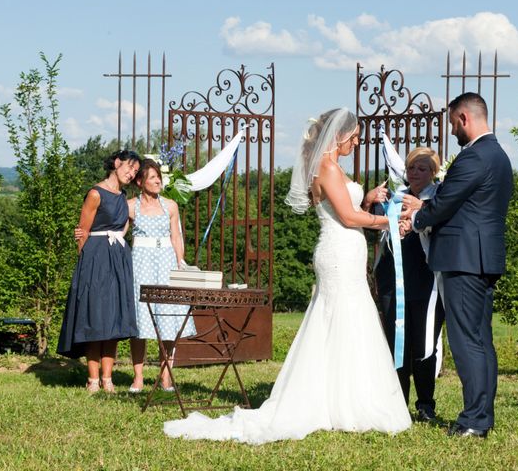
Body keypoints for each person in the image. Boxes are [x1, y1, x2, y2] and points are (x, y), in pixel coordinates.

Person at [163, 108, 411, 444]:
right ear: (338, 135)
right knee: (344, 315)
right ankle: (346, 401)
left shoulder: (328, 167)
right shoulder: (327, 167)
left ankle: (342, 396)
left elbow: (347, 211)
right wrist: (390, 223)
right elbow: (350, 220)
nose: (356, 143)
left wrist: (366, 201)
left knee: (344, 319)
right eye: (353, 137)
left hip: (343, 250)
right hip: (339, 251)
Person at [401, 92, 513, 438]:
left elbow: (445, 203)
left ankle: (474, 421)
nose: (452, 131)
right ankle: (482, 416)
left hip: (464, 259)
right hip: (483, 258)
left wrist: (417, 218)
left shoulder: (473, 157)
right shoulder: (499, 156)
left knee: (466, 341)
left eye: (452, 123)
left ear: (464, 118)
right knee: (480, 339)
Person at [58, 150, 141, 393]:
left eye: (135, 171)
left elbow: (124, 226)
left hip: (118, 259)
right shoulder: (95, 194)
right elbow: (82, 233)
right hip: (96, 260)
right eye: (129, 167)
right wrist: (86, 268)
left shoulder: (123, 197)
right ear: (116, 163)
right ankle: (93, 379)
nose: (131, 173)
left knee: (113, 321)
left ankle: (108, 378)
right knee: (96, 318)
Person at [371, 147, 445, 424]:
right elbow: (369, 224)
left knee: (424, 345)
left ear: (433, 173)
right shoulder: (393, 197)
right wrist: (373, 206)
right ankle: (398, 402)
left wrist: (416, 220)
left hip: (426, 280)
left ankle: (426, 405)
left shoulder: (438, 198)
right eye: (412, 167)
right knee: (397, 343)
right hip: (393, 279)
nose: (415, 173)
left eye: (422, 168)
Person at [127, 159, 196, 393]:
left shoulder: (171, 206)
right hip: (141, 263)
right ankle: (138, 377)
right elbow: (117, 233)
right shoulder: (130, 206)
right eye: (152, 177)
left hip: (166, 261)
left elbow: (176, 237)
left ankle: (166, 375)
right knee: (140, 318)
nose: (158, 181)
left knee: (167, 317)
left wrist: (179, 263)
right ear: (140, 182)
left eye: (159, 177)